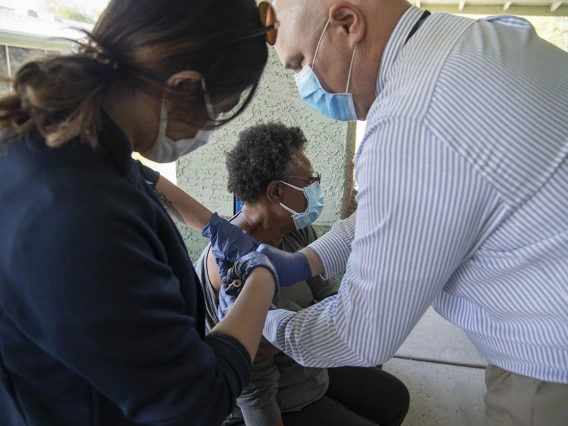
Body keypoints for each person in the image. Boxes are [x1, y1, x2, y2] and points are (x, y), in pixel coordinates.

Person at [224, 1, 568, 425]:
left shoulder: (410, 118)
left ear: (347, 23)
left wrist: (269, 323)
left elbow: (363, 333)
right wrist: (303, 263)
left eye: (301, 65)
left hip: (550, 362)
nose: (305, 84)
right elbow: (379, 216)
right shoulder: (485, 42)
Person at [0, 1, 284, 425]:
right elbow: (196, 399)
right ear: (182, 87)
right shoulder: (78, 220)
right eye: (220, 109)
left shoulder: (61, 137)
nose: (211, 128)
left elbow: (142, 178)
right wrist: (262, 279)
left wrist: (214, 225)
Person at [188, 123, 408, 426]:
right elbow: (253, 383)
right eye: (311, 181)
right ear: (276, 191)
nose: (316, 189)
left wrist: (289, 332)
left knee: (394, 399)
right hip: (274, 401)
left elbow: (332, 297)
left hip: (307, 367)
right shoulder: (230, 265)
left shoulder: (295, 230)